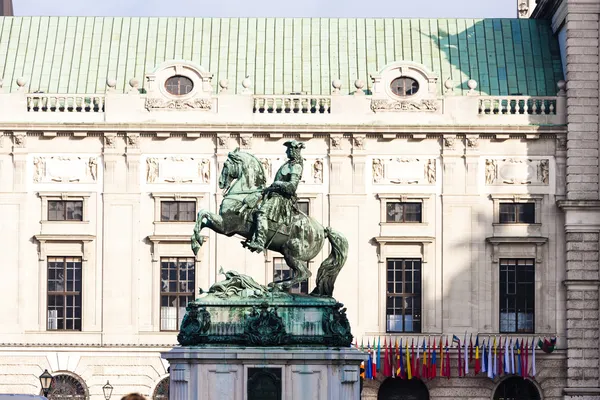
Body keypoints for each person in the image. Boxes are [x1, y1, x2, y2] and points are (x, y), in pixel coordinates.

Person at [244, 140, 305, 253]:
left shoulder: (296, 167)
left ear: (294, 151)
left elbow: (292, 187)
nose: (287, 151)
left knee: (261, 213)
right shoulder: (287, 165)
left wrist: (277, 184)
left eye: (289, 149)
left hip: (281, 199)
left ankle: (260, 241)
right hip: (273, 194)